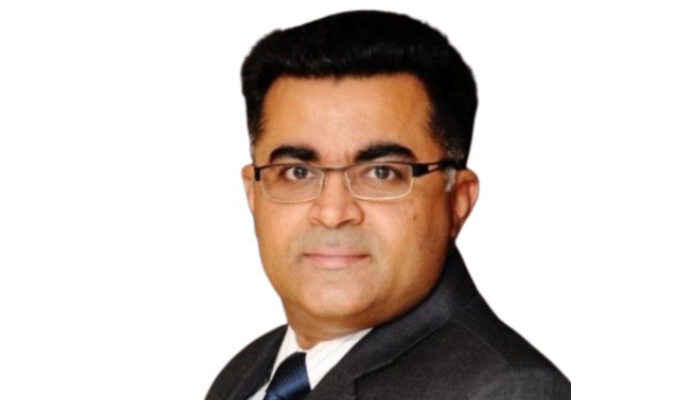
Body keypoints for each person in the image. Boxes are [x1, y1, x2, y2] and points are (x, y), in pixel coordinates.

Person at [205, 10, 570, 400]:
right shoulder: (245, 373)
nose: (332, 213)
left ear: (458, 201)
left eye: (381, 173)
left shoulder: (504, 388)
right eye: (297, 172)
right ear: (253, 193)